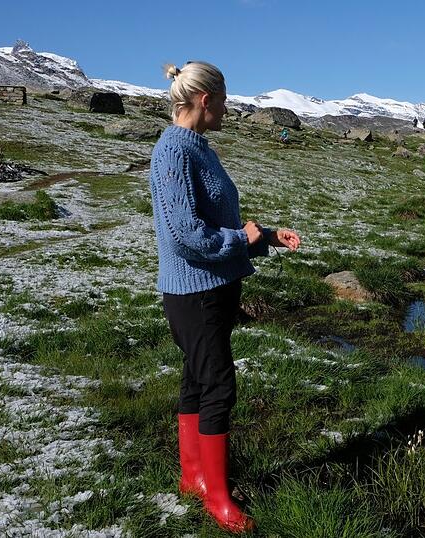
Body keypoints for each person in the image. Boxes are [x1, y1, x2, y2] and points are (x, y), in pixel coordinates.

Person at [149, 61, 301, 533]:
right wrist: (242, 241)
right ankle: (219, 500)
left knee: (196, 381)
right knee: (218, 386)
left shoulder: (197, 148)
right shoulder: (174, 152)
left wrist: (266, 235)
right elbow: (185, 233)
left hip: (208, 290)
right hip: (194, 293)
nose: (229, 108)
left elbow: (216, 219)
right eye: (226, 98)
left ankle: (193, 478)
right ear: (205, 99)